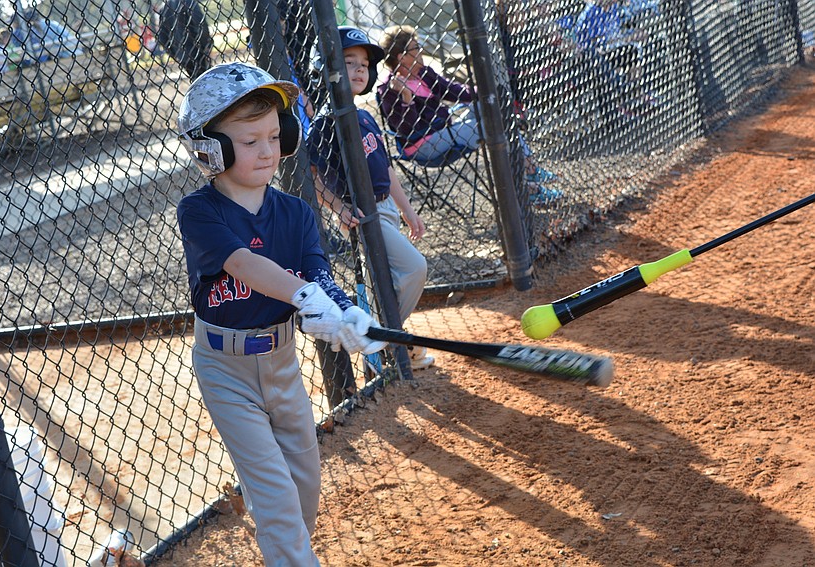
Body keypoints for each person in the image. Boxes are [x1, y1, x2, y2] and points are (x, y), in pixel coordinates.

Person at [175, 62, 386, 565]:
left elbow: (319, 274)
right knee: (274, 495)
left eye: (275, 135)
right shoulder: (199, 211)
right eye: (249, 141)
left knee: (303, 489)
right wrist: (303, 297)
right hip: (226, 371)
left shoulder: (295, 212)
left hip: (283, 362)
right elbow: (243, 264)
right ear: (212, 149)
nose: (268, 149)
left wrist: (342, 312)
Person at [307, 26, 435, 371]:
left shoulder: (363, 116)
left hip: (387, 208)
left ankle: (382, 343)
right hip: (364, 214)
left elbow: (387, 169)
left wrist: (408, 211)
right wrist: (339, 207)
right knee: (413, 269)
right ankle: (386, 339)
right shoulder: (324, 123)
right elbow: (314, 178)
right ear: (327, 67)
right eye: (349, 62)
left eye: (364, 63)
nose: (360, 69)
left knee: (388, 282)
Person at [376, 25, 561, 204]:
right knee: (490, 126)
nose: (421, 50)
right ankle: (531, 181)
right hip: (422, 144)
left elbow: (453, 90)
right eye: (416, 48)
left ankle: (529, 173)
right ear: (402, 57)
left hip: (444, 131)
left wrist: (486, 91)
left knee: (485, 106)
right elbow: (408, 128)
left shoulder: (423, 74)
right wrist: (406, 97)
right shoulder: (389, 89)